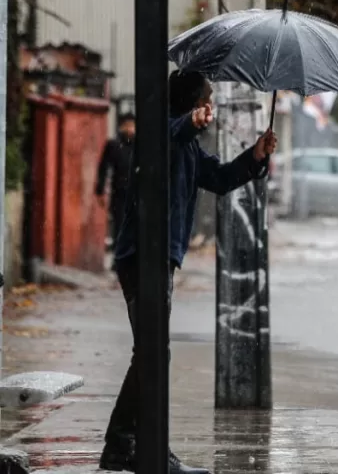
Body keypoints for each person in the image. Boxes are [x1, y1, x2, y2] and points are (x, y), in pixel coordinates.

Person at [99, 71, 278, 474]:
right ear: (192, 103)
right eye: (207, 99)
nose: (211, 105)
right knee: (153, 353)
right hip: (142, 256)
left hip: (159, 258)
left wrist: (256, 155)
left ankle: (122, 446)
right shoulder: (160, 132)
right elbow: (168, 134)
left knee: (150, 353)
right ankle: (139, 447)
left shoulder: (191, 150)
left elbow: (221, 178)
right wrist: (188, 122)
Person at [96, 113, 136, 249]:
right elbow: (104, 167)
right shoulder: (114, 145)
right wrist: (100, 190)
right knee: (119, 224)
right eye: (127, 126)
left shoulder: (140, 147)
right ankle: (119, 256)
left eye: (132, 126)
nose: (130, 129)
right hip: (119, 192)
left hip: (136, 193)